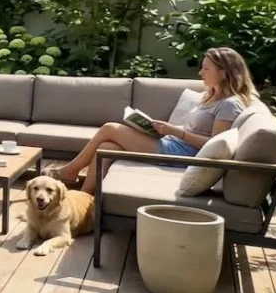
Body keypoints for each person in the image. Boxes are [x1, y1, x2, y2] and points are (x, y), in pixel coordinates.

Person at [58, 47, 257, 194]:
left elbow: (212, 144)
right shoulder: (211, 94)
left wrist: (175, 132)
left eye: (206, 69)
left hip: (182, 155)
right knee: (107, 147)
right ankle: (84, 197)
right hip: (174, 143)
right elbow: (195, 128)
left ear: (223, 72)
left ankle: (69, 171)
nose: (200, 73)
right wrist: (161, 127)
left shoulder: (229, 104)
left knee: (110, 128)